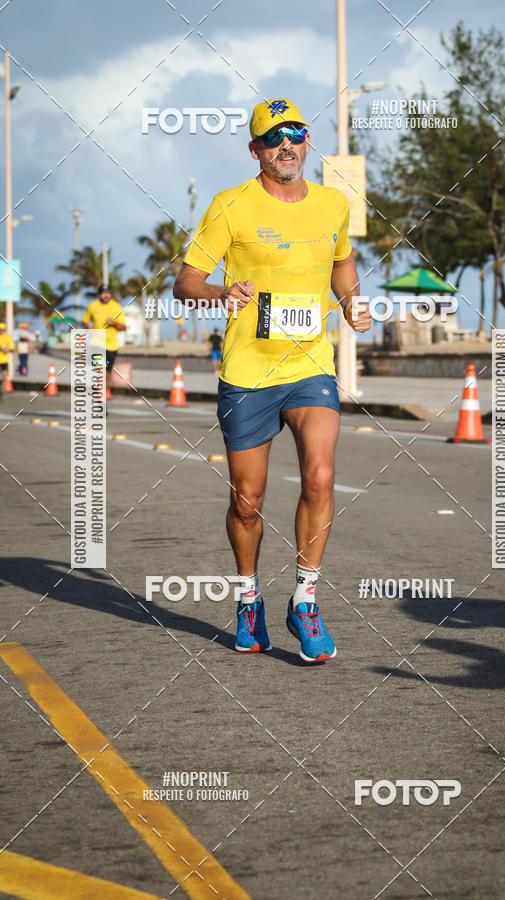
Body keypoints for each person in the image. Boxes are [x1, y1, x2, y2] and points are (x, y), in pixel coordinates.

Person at [174, 98, 370, 662]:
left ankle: (305, 600)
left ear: (307, 142)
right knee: (247, 501)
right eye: (273, 137)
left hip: (311, 366)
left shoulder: (333, 203)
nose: (286, 144)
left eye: (296, 134)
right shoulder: (229, 205)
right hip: (248, 372)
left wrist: (353, 302)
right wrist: (219, 292)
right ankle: (248, 597)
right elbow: (186, 283)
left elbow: (341, 262)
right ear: (256, 149)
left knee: (322, 474)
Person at [82, 284, 126, 390]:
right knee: (99, 368)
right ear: (98, 295)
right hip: (96, 343)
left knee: (107, 371)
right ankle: (98, 392)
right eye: (103, 293)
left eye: (108, 293)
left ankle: (104, 390)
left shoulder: (116, 306)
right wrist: (89, 329)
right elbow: (85, 321)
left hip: (112, 345)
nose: (106, 295)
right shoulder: (92, 306)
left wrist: (114, 323)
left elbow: (123, 327)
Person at [0, 323, 15, 398]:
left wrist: (6, 349)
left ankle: (2, 391)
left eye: (2, 330)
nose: (0, 331)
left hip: (4, 361)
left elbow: (12, 348)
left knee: (5, 378)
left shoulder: (7, 337)